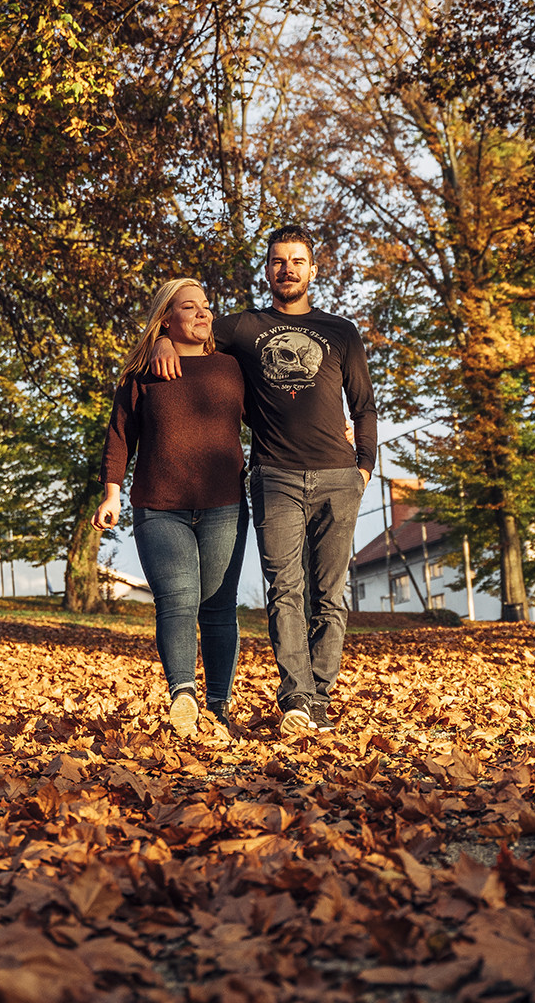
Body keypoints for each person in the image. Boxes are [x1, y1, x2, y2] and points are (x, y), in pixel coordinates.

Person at [152, 225, 377, 736]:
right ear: (268, 269)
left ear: (313, 270)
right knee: (285, 590)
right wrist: (163, 339)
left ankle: (319, 698)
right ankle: (296, 699)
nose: (287, 269)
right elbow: (191, 328)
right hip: (274, 476)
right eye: (278, 261)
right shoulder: (245, 328)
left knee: (330, 596)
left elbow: (363, 405)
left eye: (297, 261)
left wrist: (364, 467)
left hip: (339, 476)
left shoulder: (341, 331)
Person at [97, 278, 249, 740]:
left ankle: (218, 707)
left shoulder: (230, 368)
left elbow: (271, 418)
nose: (204, 313)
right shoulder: (142, 375)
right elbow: (120, 435)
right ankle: (184, 696)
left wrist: (335, 431)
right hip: (160, 507)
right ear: (166, 319)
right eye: (190, 307)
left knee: (218, 607)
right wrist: (111, 493)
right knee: (178, 600)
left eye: (206, 306)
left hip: (224, 505)